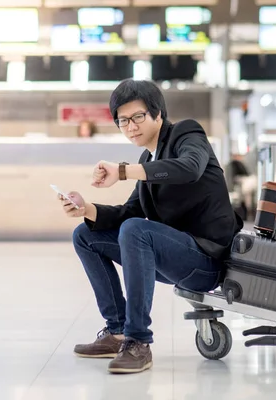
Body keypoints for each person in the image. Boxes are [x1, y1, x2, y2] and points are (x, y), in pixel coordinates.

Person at [58, 79, 243, 374]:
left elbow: (190, 167)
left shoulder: (187, 133)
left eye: (137, 117)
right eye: (123, 121)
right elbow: (129, 211)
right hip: (174, 258)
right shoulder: (147, 159)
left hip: (207, 260)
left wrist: (122, 171)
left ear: (158, 114)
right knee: (85, 234)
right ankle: (117, 331)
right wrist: (87, 208)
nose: (131, 126)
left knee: (136, 229)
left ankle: (138, 341)